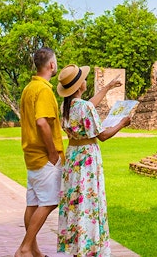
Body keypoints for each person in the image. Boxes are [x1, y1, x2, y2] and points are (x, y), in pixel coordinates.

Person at [55, 64, 131, 257]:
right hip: (87, 158)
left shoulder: (66, 106)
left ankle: (76, 247)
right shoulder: (84, 107)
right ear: (80, 85)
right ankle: (89, 247)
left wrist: (107, 87)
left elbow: (89, 104)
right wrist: (122, 123)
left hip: (73, 155)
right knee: (88, 201)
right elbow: (103, 136)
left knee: (75, 201)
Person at [15, 47, 64, 257]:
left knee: (33, 203)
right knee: (50, 201)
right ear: (51, 65)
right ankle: (25, 248)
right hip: (44, 157)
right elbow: (42, 123)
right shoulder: (44, 90)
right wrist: (53, 153)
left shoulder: (29, 88)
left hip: (31, 154)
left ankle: (33, 250)